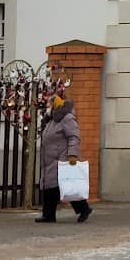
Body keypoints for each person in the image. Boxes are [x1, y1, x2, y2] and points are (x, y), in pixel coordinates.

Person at [37, 93, 92, 223]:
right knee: (51, 187)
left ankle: (84, 208)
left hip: (62, 158)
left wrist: (72, 154)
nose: (48, 106)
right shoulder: (52, 119)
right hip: (50, 159)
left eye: (50, 104)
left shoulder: (67, 118)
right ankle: (48, 215)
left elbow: (74, 136)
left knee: (65, 186)